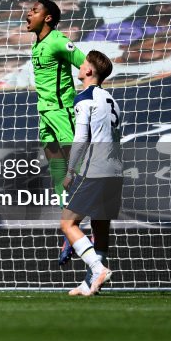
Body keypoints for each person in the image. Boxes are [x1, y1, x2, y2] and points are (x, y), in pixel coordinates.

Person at [25, 0, 87, 261]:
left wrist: (87, 97)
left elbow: (87, 65)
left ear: (48, 18)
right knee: (58, 175)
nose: (28, 13)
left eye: (34, 11)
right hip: (45, 114)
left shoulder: (59, 41)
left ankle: (84, 230)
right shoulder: (37, 43)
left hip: (62, 114)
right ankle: (70, 232)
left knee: (77, 173)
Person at [61, 51, 123, 296]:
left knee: (67, 223)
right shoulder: (112, 100)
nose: (80, 66)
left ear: (88, 71)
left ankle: (98, 269)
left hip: (95, 169)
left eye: (83, 63)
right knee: (100, 227)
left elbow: (81, 139)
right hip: (115, 171)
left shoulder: (84, 99)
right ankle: (90, 284)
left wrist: (70, 171)